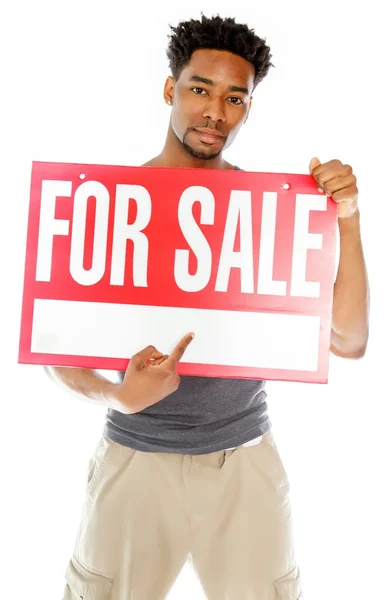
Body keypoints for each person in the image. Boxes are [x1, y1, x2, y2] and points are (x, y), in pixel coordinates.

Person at [48, 14, 369, 600]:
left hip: (243, 463)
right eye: (200, 89)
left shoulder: (270, 214)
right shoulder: (111, 201)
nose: (215, 112)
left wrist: (347, 220)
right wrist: (115, 394)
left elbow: (349, 341)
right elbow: (52, 347)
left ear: (248, 108)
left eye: (234, 98)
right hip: (134, 456)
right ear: (171, 89)